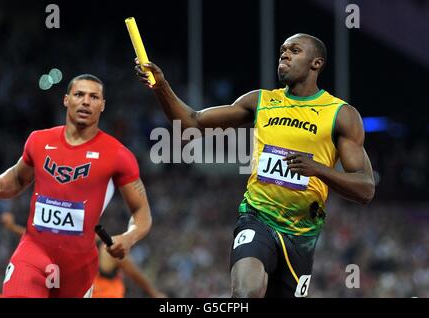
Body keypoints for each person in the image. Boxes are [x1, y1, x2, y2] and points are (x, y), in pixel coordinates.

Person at [135, 33, 375, 298]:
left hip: (302, 235)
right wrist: (161, 86)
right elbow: (192, 122)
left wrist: (318, 169)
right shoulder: (260, 101)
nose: (284, 54)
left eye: (294, 50)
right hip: (256, 217)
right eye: (282, 50)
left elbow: (365, 189)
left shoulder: (341, 114)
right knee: (246, 292)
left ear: (316, 63)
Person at [0, 74, 152, 298]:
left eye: (94, 97)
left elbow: (142, 212)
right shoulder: (39, 140)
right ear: (66, 99)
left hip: (79, 268)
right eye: (79, 94)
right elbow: (19, 178)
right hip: (33, 253)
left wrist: (128, 238)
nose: (86, 101)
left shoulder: (118, 155)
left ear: (103, 105)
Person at [0, 212, 166, 298]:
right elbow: (41, 241)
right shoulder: (72, 246)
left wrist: (153, 293)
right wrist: (13, 227)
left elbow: (133, 272)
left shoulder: (107, 248)